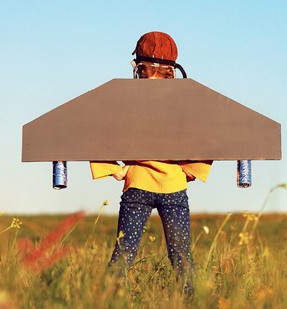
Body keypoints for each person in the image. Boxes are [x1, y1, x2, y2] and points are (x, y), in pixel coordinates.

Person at [90, 31, 212, 294]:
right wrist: (189, 171)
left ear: (138, 68)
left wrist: (117, 170)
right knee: (180, 257)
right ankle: (194, 301)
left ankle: (106, 300)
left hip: (141, 186)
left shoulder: (130, 99)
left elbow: (98, 128)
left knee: (124, 255)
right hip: (168, 188)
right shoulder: (176, 101)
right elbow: (205, 133)